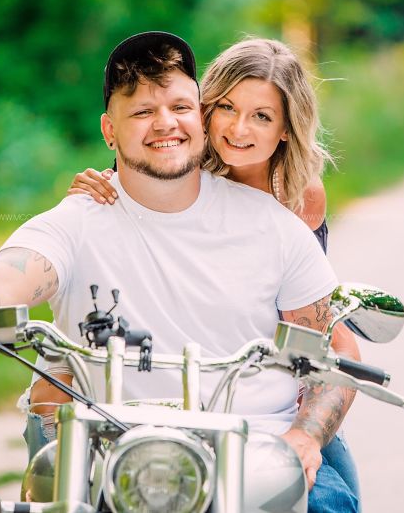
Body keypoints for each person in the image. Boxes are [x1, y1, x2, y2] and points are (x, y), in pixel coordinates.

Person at [0, 32, 357, 512]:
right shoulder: (78, 218)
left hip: (254, 451)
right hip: (109, 452)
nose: (164, 123)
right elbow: (11, 273)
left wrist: (304, 436)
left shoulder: (282, 221)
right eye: (141, 112)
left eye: (179, 107)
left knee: (326, 500)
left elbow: (330, 350)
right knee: (48, 486)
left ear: (197, 118)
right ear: (109, 131)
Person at [69, 37, 362, 499]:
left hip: (279, 394)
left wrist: (307, 430)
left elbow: (318, 322)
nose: (238, 128)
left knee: (330, 495)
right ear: (204, 108)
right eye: (225, 106)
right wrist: (91, 190)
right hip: (192, 385)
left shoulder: (301, 195)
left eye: (262, 116)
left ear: (287, 127)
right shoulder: (179, 167)